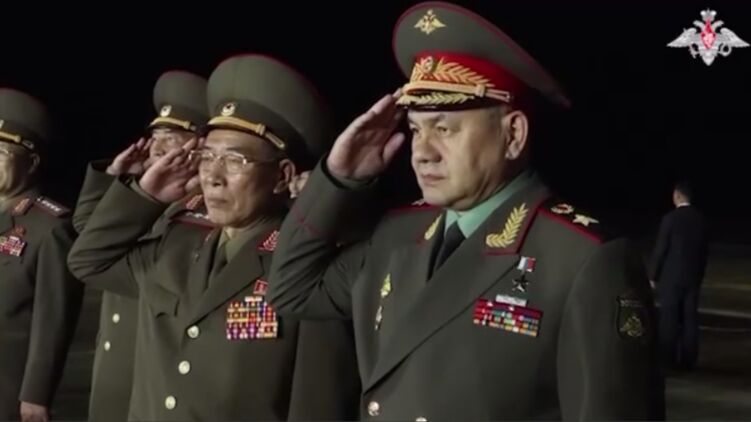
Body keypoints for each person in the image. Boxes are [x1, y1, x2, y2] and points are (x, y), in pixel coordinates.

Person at [267, 2, 664, 420]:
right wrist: (338, 178)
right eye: (415, 129)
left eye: (444, 129)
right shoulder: (398, 234)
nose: (422, 153)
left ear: (513, 134)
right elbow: (293, 290)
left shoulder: (582, 259)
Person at [67, 54, 360, 421]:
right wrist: (145, 196)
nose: (214, 177)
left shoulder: (304, 265)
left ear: (283, 176)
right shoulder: (178, 243)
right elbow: (88, 261)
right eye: (207, 158)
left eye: (235, 161)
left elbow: (316, 402)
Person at [71, 70, 209, 422]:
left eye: (171, 138)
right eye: (156, 137)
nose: (157, 147)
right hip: (116, 370)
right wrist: (115, 179)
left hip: (147, 371)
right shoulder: (144, 201)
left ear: (198, 147)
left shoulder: (197, 212)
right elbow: (89, 235)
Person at [0, 87, 84, 422]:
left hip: (8, 386)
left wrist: (36, 394)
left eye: (2, 152)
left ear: (31, 162)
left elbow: (54, 319)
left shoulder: (49, 228)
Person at [649, 182, 708, 370]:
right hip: (693, 277)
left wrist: (653, 275)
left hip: (672, 277)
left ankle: (668, 359)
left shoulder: (670, 219)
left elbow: (661, 249)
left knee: (670, 318)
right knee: (690, 319)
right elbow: (704, 252)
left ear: (677, 196)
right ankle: (689, 360)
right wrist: (699, 275)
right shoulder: (701, 219)